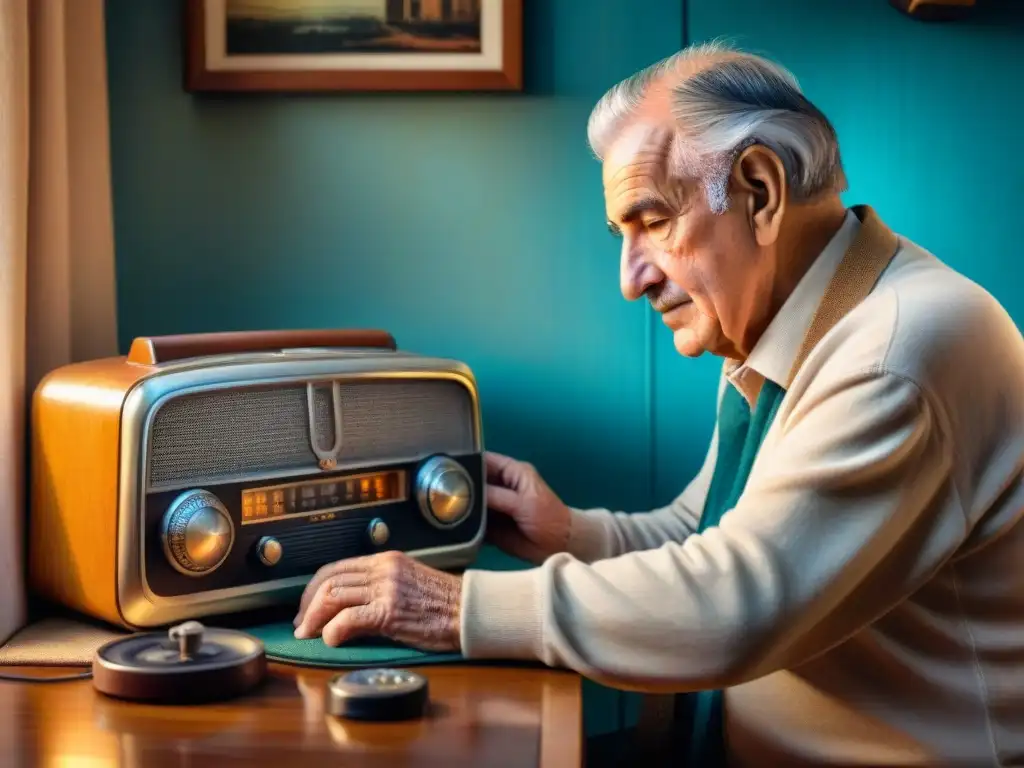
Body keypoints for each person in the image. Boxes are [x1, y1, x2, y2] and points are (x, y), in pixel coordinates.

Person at [292, 41, 1024, 767]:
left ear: (760, 192)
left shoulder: (897, 352)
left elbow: (734, 605)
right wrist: (569, 532)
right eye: (622, 234)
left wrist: (456, 608)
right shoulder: (790, 320)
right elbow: (708, 530)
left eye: (653, 221)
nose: (630, 277)